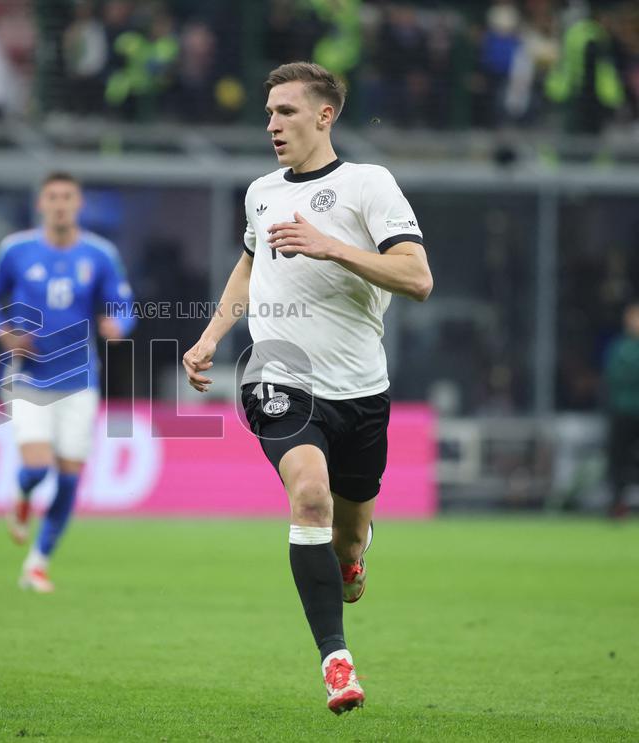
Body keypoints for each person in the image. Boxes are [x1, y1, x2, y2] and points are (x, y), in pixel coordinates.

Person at [182, 61, 432, 714]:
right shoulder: (261, 192)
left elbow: (417, 277)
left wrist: (332, 247)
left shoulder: (368, 185)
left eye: (286, 111)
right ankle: (336, 660)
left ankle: (352, 559)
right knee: (310, 494)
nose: (272, 124)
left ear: (325, 116)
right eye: (268, 113)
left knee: (347, 542)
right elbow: (248, 263)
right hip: (279, 374)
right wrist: (212, 336)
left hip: (362, 391)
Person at [0, 172, 135, 593]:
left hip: (78, 380)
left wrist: (117, 324)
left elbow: (124, 304)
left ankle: (38, 562)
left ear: (78, 204)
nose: (60, 204)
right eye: (52, 197)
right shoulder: (16, 250)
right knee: (37, 465)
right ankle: (22, 494)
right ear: (41, 204)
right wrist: (3, 331)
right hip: (26, 375)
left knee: (68, 477)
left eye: (67, 197)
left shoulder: (100, 254)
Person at [604, 301, 639, 519]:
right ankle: (618, 504)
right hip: (623, 411)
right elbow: (613, 378)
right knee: (618, 460)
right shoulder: (619, 348)